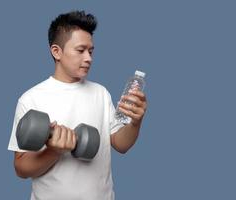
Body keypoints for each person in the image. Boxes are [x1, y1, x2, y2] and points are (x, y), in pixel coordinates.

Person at [8, 10, 147, 200]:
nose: (89, 58)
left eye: (91, 51)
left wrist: (135, 122)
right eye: (80, 50)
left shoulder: (101, 93)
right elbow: (21, 168)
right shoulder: (31, 99)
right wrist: (54, 151)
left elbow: (121, 145)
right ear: (56, 51)